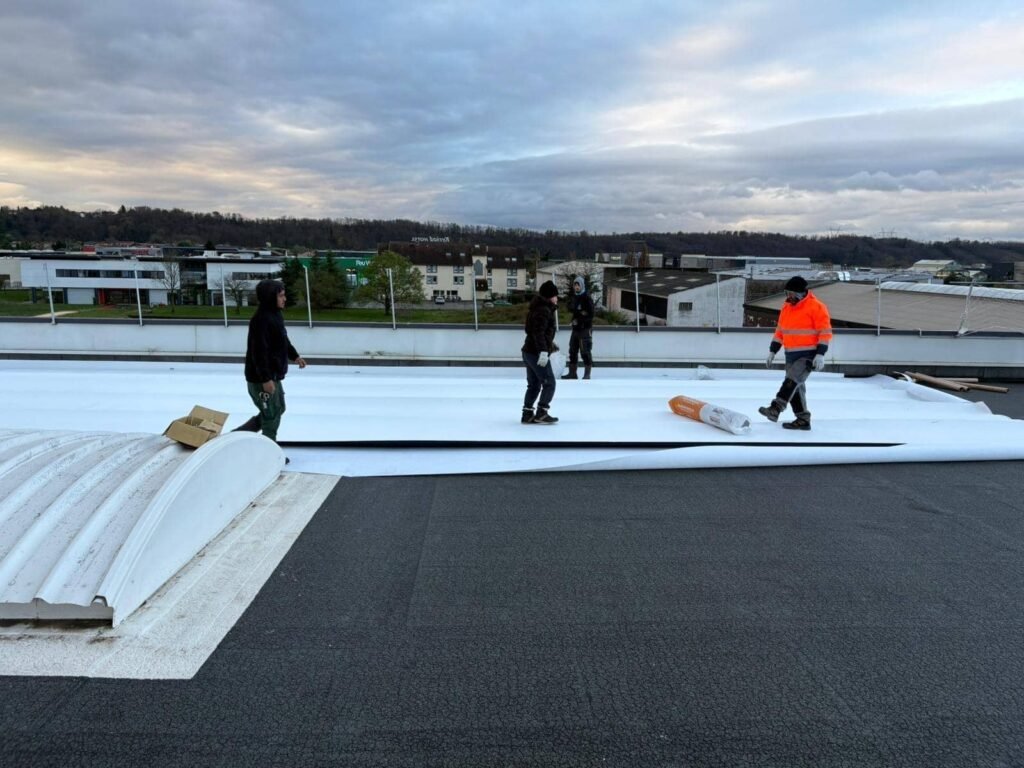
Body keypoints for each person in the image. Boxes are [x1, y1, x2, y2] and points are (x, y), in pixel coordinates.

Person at [235, 280, 307, 450]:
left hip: (272, 375)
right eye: (281, 296)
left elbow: (282, 339)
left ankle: (239, 435)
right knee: (271, 414)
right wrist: (265, 379)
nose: (285, 299)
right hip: (262, 378)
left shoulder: (275, 315)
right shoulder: (260, 320)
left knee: (278, 409)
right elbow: (258, 352)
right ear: (270, 297)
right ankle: (267, 451)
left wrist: (294, 356)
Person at [758, 276, 832, 430]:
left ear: (801, 293)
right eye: (787, 293)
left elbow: (825, 332)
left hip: (808, 355)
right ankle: (803, 419)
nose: (789, 296)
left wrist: (820, 354)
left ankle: (775, 408)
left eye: (791, 293)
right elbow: (780, 331)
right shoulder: (786, 308)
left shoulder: (816, 307)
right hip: (790, 354)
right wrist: (772, 351)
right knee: (795, 388)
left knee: (791, 381)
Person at [521, 280, 560, 424]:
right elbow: (538, 332)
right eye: (555, 295)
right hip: (536, 353)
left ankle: (527, 413)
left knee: (535, 385)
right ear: (550, 296)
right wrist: (544, 351)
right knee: (549, 383)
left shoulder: (537, 308)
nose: (557, 298)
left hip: (529, 351)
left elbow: (536, 332)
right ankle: (542, 412)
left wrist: (550, 344)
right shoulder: (543, 310)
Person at [562, 275, 594, 380]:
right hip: (575, 329)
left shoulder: (587, 298)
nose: (576, 287)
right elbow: (576, 312)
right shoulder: (575, 297)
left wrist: (579, 319)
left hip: (585, 329)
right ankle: (572, 373)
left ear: (582, 286)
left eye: (578, 285)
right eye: (575, 285)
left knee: (585, 351)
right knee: (572, 350)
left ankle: (587, 374)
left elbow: (590, 315)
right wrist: (574, 319)